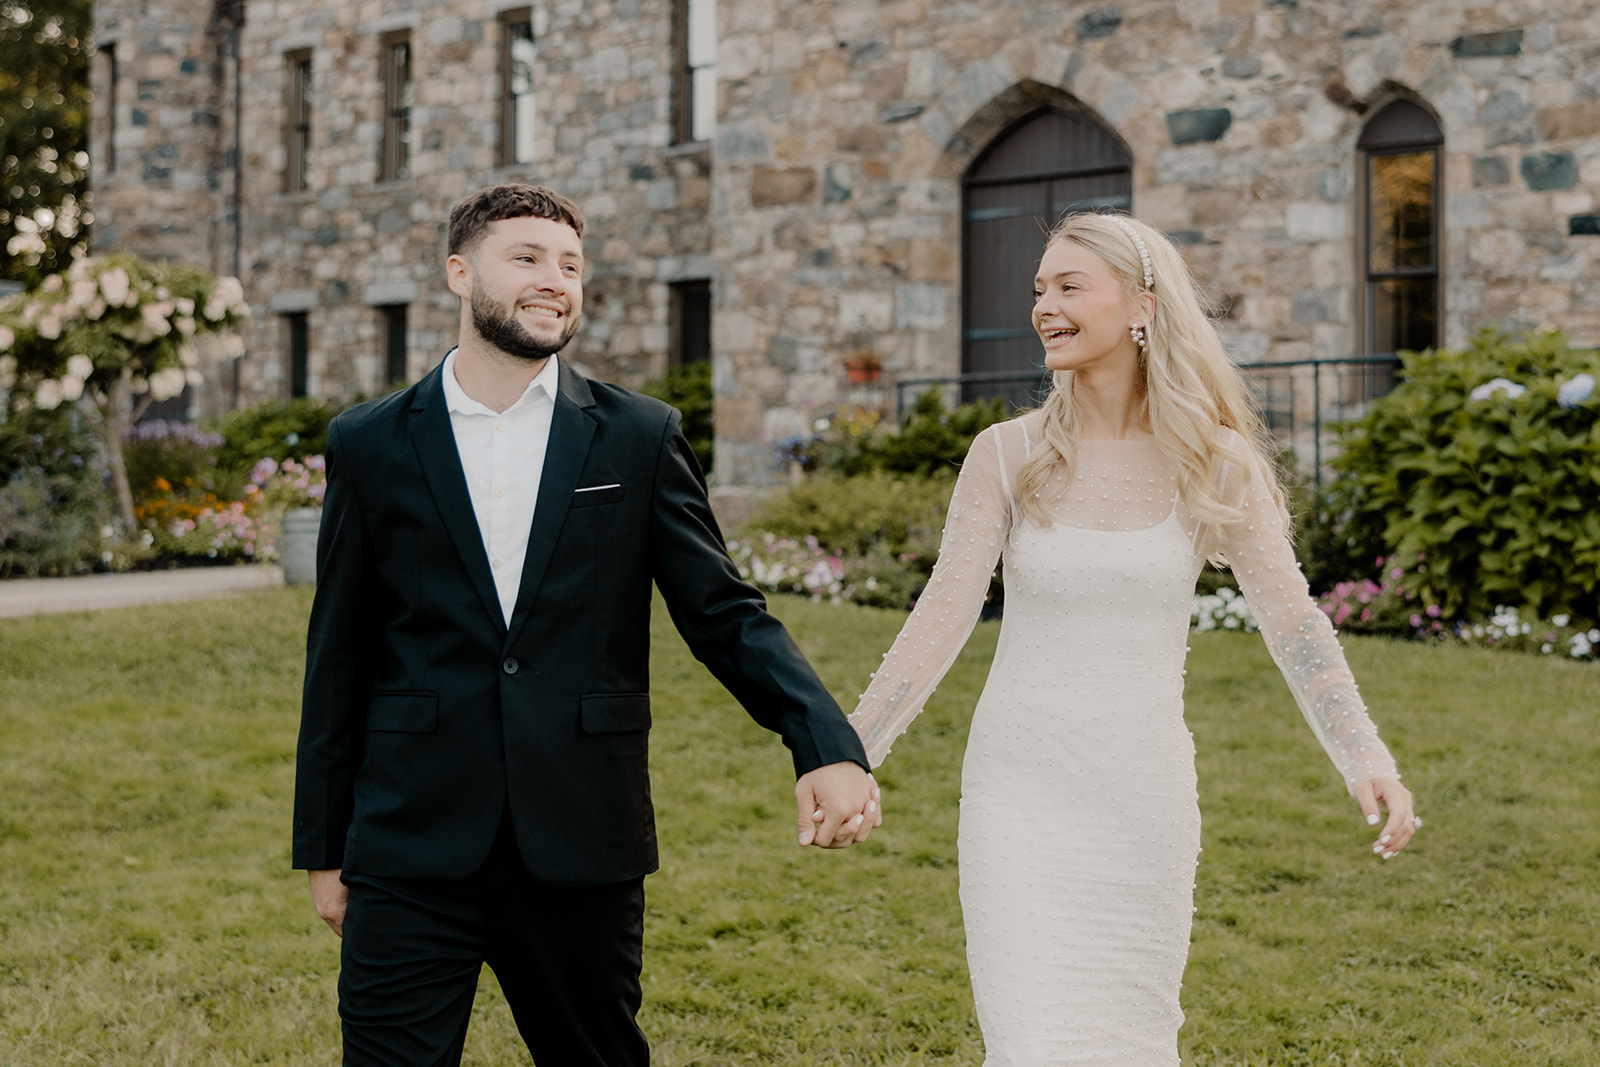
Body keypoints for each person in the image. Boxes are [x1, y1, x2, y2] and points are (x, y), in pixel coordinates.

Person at [292, 183, 880, 1066]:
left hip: (580, 837)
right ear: (460, 273)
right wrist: (326, 847)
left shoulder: (637, 437)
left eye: (570, 264)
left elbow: (722, 610)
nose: (554, 280)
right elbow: (338, 653)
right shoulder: (371, 440)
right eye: (525, 258)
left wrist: (823, 742)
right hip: (409, 840)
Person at [847, 212, 1417, 1065]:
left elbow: (1292, 617)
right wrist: (849, 749)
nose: (1044, 305)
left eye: (1070, 286)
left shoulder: (1214, 460)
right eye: (1040, 288)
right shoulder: (1004, 454)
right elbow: (942, 614)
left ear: (1143, 306)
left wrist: (1364, 752)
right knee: (1031, 1042)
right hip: (1018, 793)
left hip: (1142, 798)